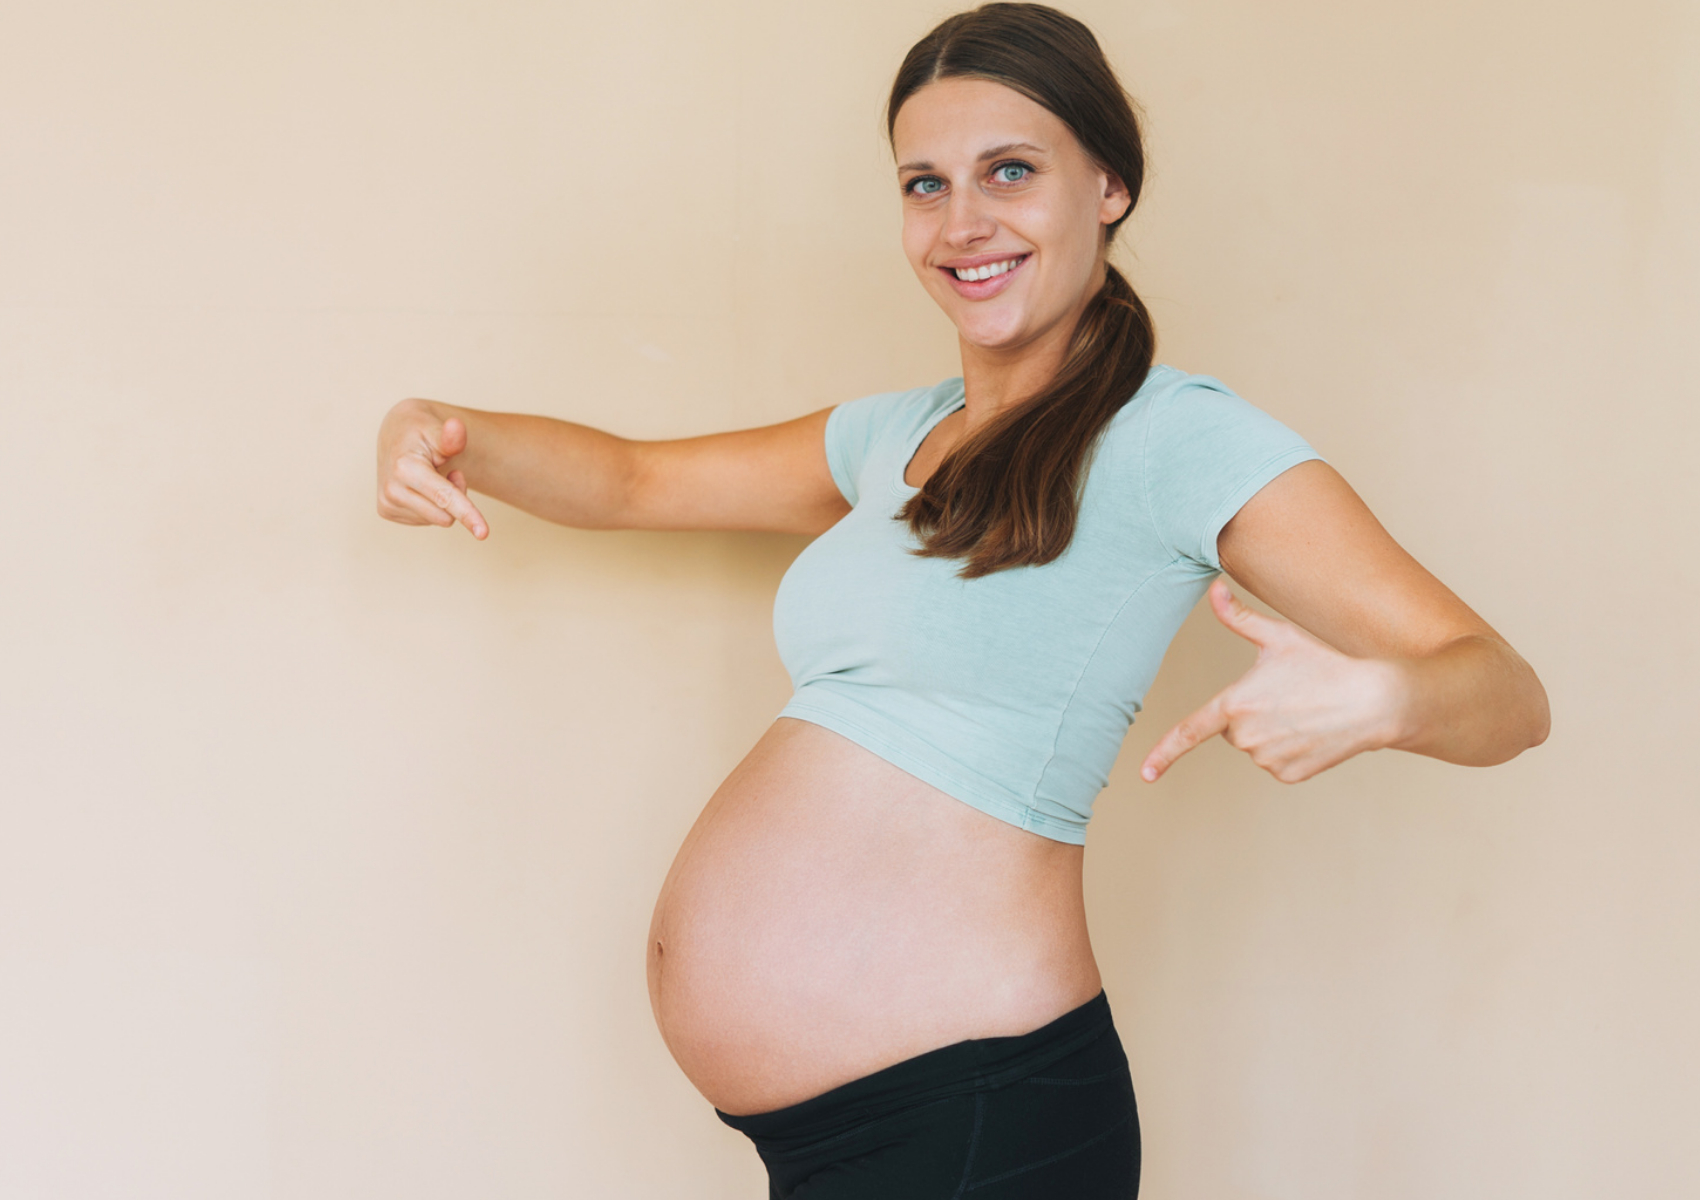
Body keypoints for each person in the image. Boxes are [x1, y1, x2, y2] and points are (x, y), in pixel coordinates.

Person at [374, 4, 1550, 1195]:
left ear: (1109, 185)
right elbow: (630, 479)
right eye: (924, 184)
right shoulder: (899, 434)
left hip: (980, 1122)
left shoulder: (1176, 439)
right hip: (870, 1135)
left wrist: (1386, 695)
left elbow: (1505, 690)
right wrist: (446, 431)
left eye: (1011, 172)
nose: (963, 222)